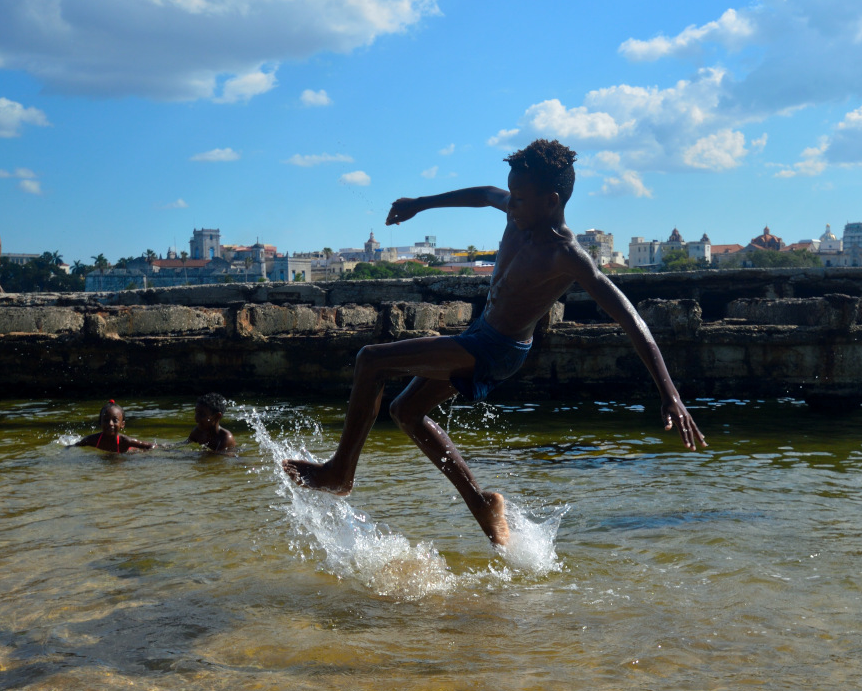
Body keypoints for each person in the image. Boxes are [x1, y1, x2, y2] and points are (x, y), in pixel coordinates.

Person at [283, 139, 706, 546]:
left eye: (520, 198)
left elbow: (629, 316)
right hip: (479, 334)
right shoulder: (518, 214)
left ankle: (340, 473)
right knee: (404, 411)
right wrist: (421, 204)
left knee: (370, 360)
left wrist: (669, 394)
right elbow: (485, 194)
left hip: (498, 350)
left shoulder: (566, 254)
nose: (511, 204)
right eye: (512, 195)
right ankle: (483, 504)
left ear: (551, 201)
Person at [74, 400, 156, 453]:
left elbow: (151, 446)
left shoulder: (125, 441)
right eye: (106, 420)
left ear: (122, 424)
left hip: (130, 453)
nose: (110, 423)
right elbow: (76, 445)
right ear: (100, 422)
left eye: (115, 420)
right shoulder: (92, 440)